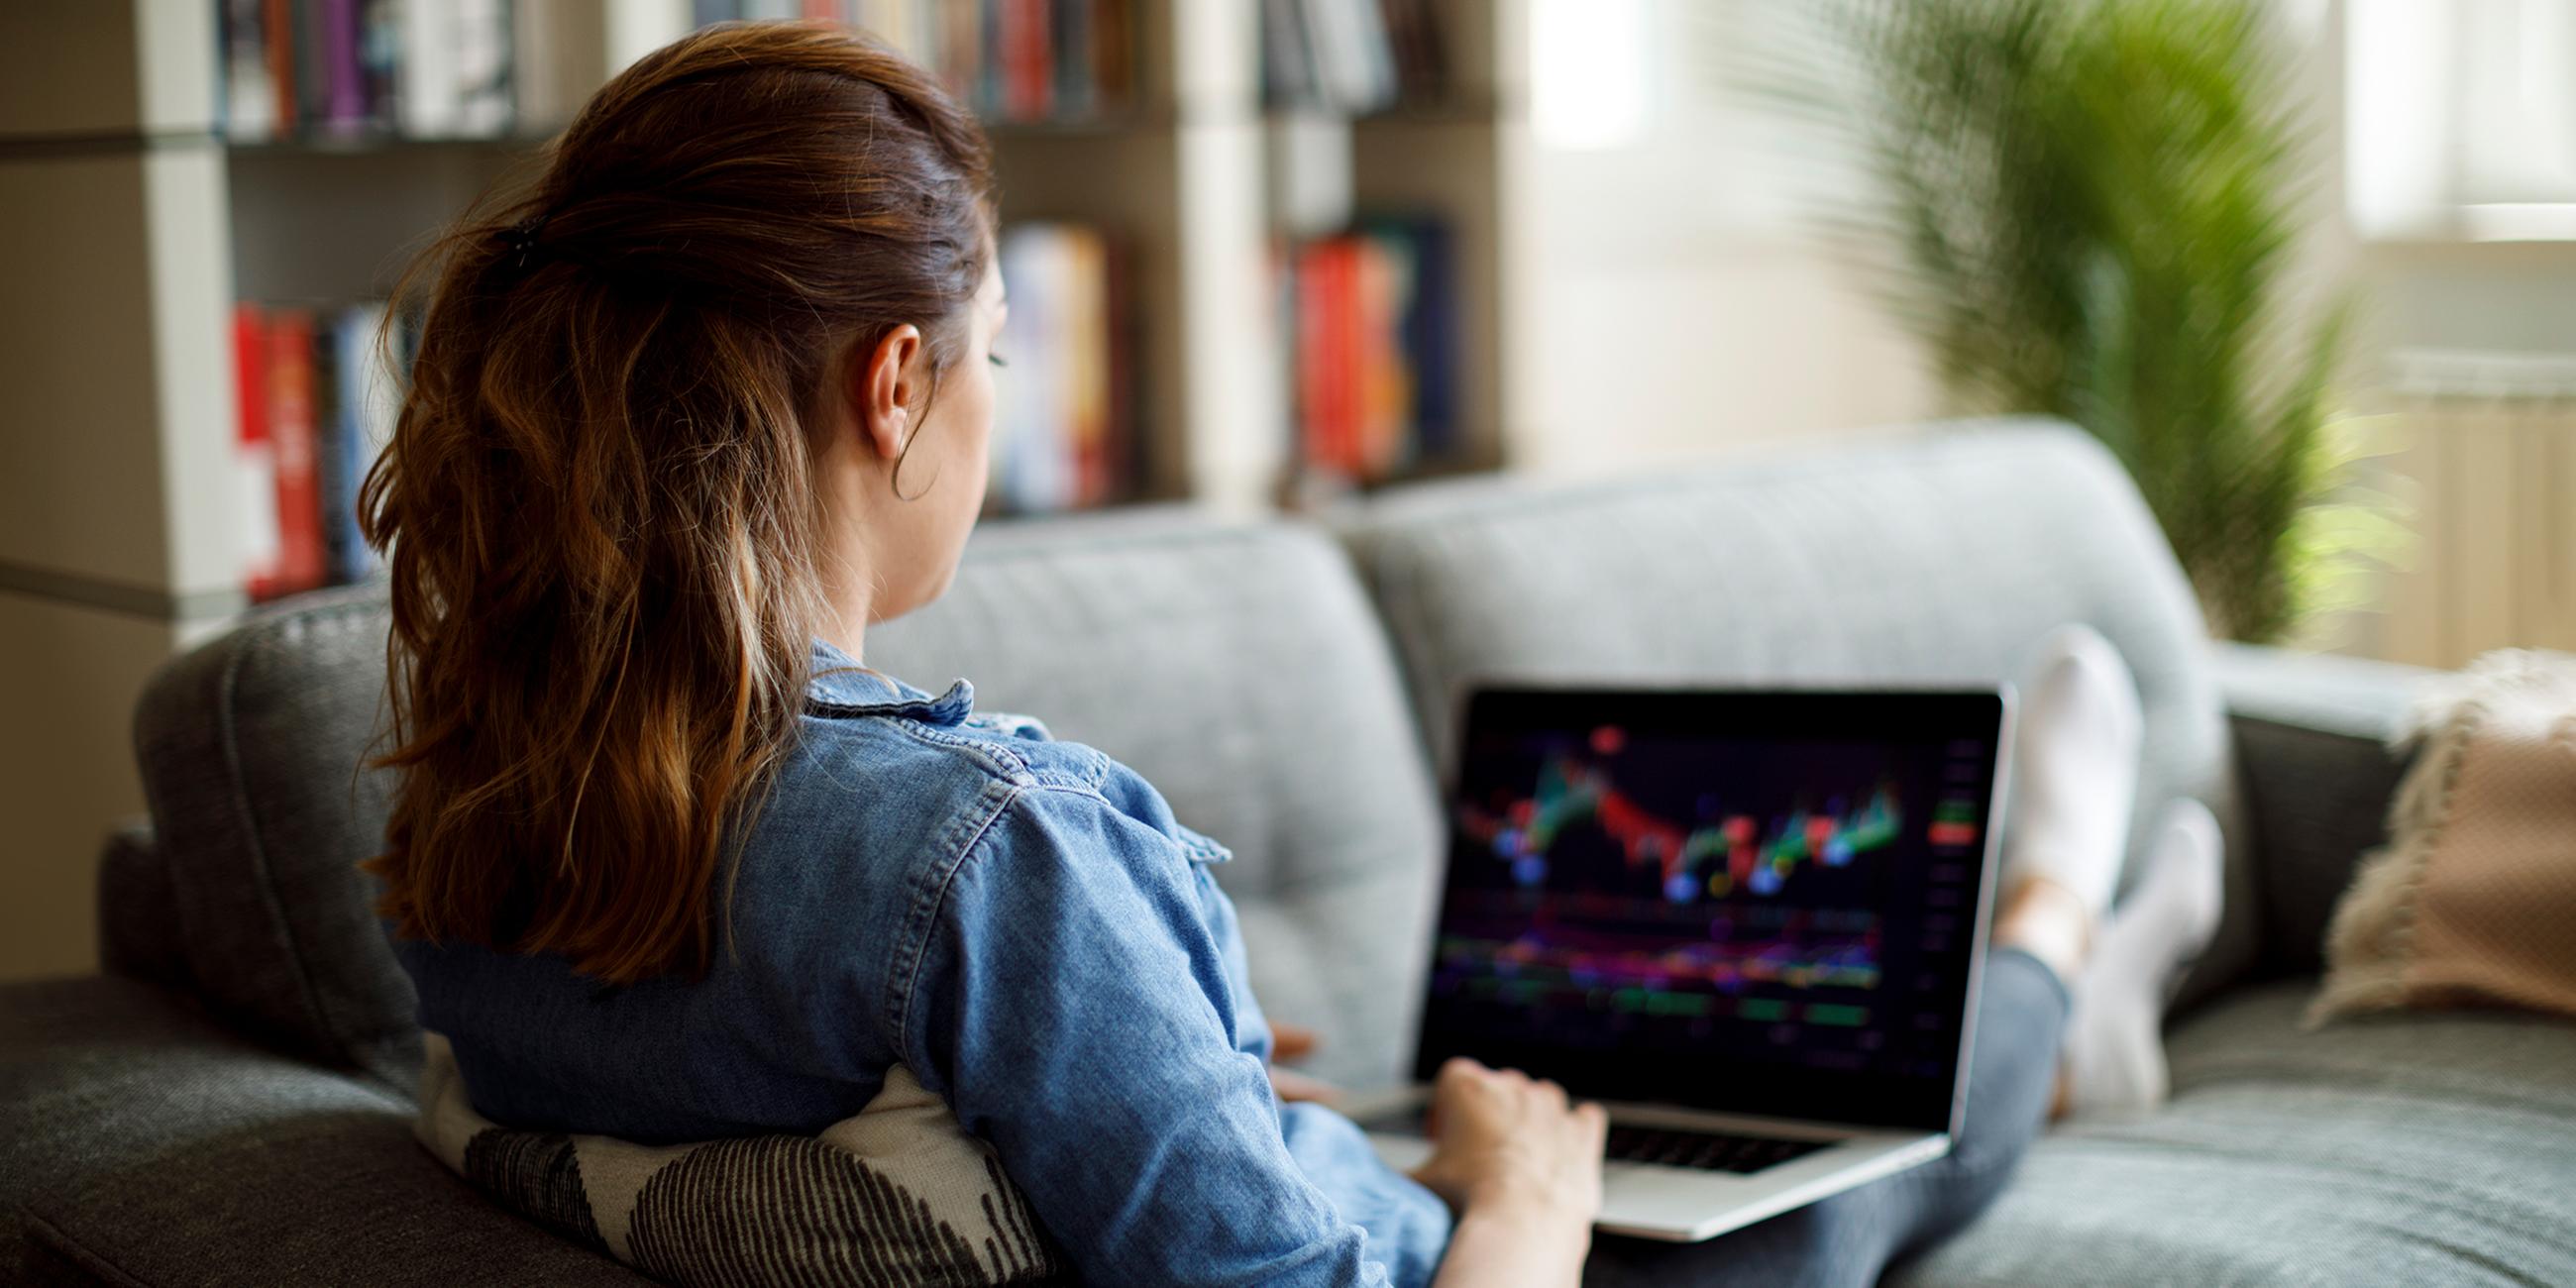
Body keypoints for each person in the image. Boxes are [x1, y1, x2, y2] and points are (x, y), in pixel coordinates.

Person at [365, 22, 2219, 1288]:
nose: (995, 397)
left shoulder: (483, 806)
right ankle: (2059, 930)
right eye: (997, 350)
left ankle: (2073, 1003)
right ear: (897, 384)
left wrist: (1169, 1075)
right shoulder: (996, 856)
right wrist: (1525, 1192)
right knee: (1826, 1202)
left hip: (1291, 1188)